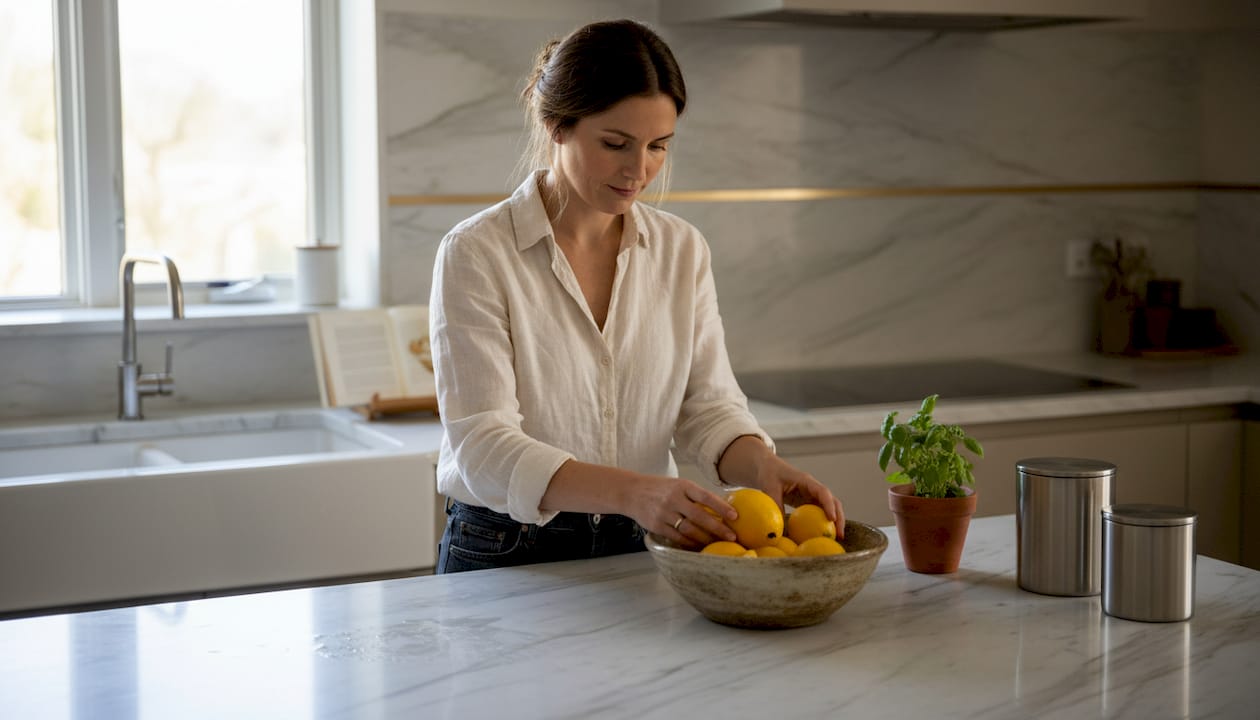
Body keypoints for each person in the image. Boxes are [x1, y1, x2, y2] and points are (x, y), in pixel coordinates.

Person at [429, 18, 844, 574]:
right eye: (616, 143)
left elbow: (707, 405)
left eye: (658, 146)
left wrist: (762, 466)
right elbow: (483, 446)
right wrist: (634, 493)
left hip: (644, 545)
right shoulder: (476, 253)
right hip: (506, 548)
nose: (639, 169)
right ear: (556, 125)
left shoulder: (681, 250)